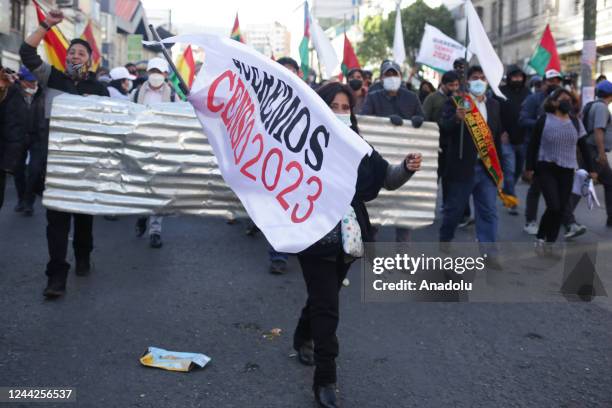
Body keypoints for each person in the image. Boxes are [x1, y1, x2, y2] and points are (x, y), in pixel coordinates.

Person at [293, 81, 422, 408]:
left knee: (326, 295)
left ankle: (302, 334)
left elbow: (387, 178)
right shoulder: (298, 141)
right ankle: (326, 380)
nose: (339, 113)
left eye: (345, 107)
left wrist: (405, 168)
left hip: (348, 238)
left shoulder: (358, 145)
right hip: (312, 235)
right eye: (333, 107)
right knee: (327, 307)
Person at [19, 8, 110, 298]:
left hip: (87, 167)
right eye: (72, 53)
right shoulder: (52, 79)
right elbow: (26, 52)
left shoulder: (100, 89)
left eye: (81, 54)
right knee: (56, 223)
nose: (74, 57)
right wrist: (47, 24)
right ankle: (56, 277)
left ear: (90, 60)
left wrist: (91, 108)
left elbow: (112, 126)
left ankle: (83, 255)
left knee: (83, 221)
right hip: (55, 167)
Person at [439, 66, 503, 266]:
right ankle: (445, 242)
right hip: (461, 167)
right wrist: (456, 119)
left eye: (483, 78)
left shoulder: (493, 105)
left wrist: (498, 166)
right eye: (475, 77)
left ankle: (489, 253)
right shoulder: (457, 103)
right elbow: (442, 128)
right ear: (467, 81)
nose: (479, 81)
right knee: (454, 210)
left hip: (486, 167)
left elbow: (496, 137)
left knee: (488, 211)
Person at [525, 89, 596, 255]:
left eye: (570, 100)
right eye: (563, 100)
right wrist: (529, 168)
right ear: (553, 102)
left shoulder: (576, 122)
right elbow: (533, 145)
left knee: (561, 207)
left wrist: (592, 169)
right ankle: (540, 238)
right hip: (546, 168)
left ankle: (549, 242)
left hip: (567, 169)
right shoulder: (543, 120)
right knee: (554, 205)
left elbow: (584, 146)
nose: (567, 103)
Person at [360, 60, 424, 242]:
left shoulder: (411, 97)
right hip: (381, 160)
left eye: (394, 74)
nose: (391, 78)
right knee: (376, 208)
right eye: (387, 75)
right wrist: (387, 121)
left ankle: (403, 255)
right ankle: (370, 249)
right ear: (381, 78)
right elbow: (364, 122)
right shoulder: (373, 97)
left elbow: (422, 121)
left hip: (405, 159)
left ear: (400, 77)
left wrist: (418, 121)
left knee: (403, 210)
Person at [132, 57, 177, 249]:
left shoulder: (174, 95)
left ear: (166, 74)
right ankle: (143, 215)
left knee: (158, 187)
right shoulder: (136, 93)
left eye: (160, 72)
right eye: (153, 71)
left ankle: (155, 231)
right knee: (143, 187)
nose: (156, 76)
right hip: (140, 145)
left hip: (163, 146)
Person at [519, 69, 563, 234]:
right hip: (537, 150)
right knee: (536, 187)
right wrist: (541, 123)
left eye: (557, 81)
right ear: (544, 82)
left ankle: (566, 221)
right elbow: (523, 120)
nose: (555, 84)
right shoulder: (533, 99)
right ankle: (530, 221)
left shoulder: (563, 99)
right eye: (551, 81)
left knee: (560, 189)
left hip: (559, 151)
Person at [3, 66, 47, 216]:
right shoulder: (12, 92)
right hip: (18, 137)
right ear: (21, 81)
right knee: (18, 171)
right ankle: (21, 199)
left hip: (37, 137)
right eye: (29, 82)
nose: (32, 85)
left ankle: (29, 202)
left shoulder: (42, 93)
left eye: (34, 81)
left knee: (34, 170)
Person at [423, 71, 460, 208]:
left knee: (450, 179)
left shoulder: (460, 99)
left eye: (456, 85)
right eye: (451, 85)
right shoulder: (432, 98)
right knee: (434, 178)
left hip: (453, 144)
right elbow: (425, 118)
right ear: (443, 84)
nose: (454, 88)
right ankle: (427, 206)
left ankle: (447, 206)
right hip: (436, 144)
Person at [497, 65, 531, 216]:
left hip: (523, 139)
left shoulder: (528, 93)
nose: (517, 80)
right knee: (509, 172)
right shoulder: (500, 93)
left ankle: (507, 190)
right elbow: (494, 113)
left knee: (517, 171)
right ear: (509, 77)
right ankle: (511, 202)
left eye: (520, 77)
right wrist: (501, 131)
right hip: (506, 140)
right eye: (514, 77)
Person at [582, 79, 612, 226]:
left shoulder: (593, 105)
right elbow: (598, 130)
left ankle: (611, 217)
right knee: (582, 183)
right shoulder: (601, 108)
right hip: (594, 150)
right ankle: (565, 217)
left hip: (590, 149)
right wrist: (601, 153)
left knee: (609, 182)